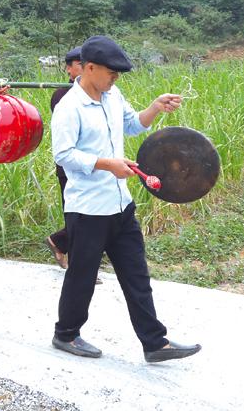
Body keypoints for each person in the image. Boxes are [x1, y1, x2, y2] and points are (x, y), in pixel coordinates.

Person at [51, 35, 200, 363]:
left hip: (120, 203)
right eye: (110, 73)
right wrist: (107, 164)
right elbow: (64, 155)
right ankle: (66, 334)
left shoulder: (112, 94)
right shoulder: (69, 108)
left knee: (136, 275)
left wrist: (155, 107)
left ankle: (154, 343)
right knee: (83, 277)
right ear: (89, 68)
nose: (115, 78)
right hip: (88, 208)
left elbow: (133, 125)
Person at [45, 46, 83, 270]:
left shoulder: (100, 94)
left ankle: (59, 242)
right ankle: (78, 262)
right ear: (68, 69)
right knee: (76, 214)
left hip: (96, 166)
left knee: (91, 216)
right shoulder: (62, 95)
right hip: (70, 164)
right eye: (79, 64)